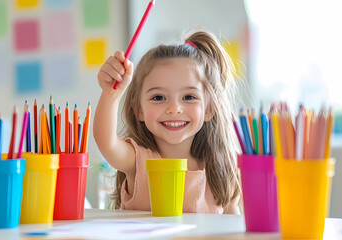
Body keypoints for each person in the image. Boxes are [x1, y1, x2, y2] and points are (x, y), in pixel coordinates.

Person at [94, 30, 241, 214]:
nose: (174, 108)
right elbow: (106, 141)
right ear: (139, 109)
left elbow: (233, 227)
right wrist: (110, 94)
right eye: (158, 97)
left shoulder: (219, 169)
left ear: (210, 109)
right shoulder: (138, 162)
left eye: (188, 96)